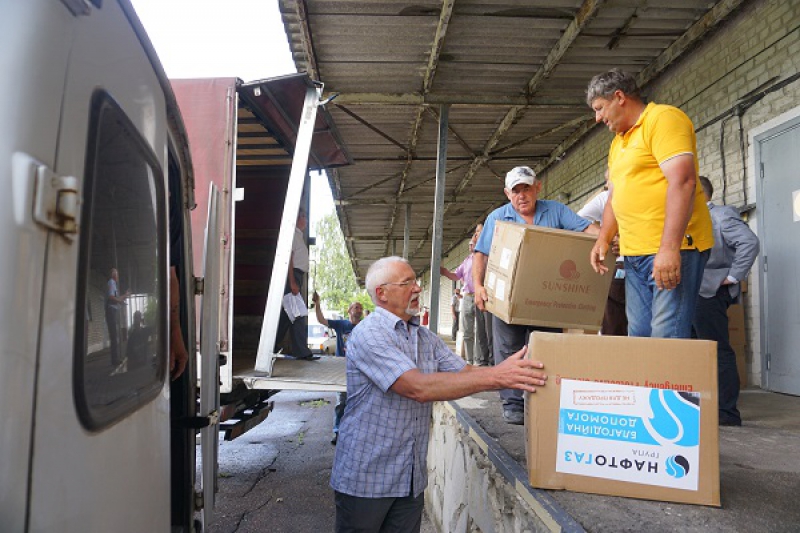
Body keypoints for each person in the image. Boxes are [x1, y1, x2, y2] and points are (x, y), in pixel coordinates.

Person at [330, 256, 547, 533]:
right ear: (382, 294)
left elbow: (466, 373)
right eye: (407, 282)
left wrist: (513, 372)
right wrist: (498, 376)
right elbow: (417, 387)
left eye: (416, 281)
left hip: (409, 479)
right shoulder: (369, 334)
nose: (417, 288)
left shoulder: (425, 338)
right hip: (367, 478)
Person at [587, 68, 713, 339]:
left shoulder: (663, 120)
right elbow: (614, 196)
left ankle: (670, 384)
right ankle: (651, 383)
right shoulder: (618, 143)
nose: (598, 118)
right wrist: (604, 240)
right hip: (635, 255)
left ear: (619, 97)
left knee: (665, 337)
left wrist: (669, 249)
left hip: (671, 247)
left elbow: (684, 182)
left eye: (599, 108)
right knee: (640, 337)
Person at [473, 166, 598, 425]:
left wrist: (605, 239)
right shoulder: (497, 218)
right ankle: (512, 403)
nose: (522, 195)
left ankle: (539, 399)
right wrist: (478, 286)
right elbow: (481, 254)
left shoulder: (556, 211)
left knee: (542, 348)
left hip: (545, 298)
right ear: (507, 193)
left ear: (537, 187)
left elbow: (586, 229)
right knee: (509, 348)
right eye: (516, 191)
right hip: (506, 299)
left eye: (526, 188)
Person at [692, 177, 759, 427]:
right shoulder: (694, 217)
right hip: (693, 292)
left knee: (717, 350)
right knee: (696, 351)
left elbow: (749, 243)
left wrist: (731, 277)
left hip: (709, 292)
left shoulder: (720, 215)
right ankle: (703, 408)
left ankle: (727, 413)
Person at [311, 291, 364, 444]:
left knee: (357, 402)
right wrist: (317, 304)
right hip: (341, 369)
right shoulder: (341, 325)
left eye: (360, 307)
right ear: (349, 311)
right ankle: (337, 431)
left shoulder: (365, 326)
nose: (358, 310)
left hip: (359, 370)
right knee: (341, 401)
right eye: (355, 307)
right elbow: (321, 320)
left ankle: (354, 433)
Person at [578, 174, 627, 336]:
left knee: (616, 324)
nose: (606, 183)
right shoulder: (605, 198)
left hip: (633, 263)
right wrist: (606, 237)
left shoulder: (605, 198)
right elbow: (579, 221)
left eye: (608, 179)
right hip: (620, 265)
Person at [440, 228, 489, 365]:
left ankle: (479, 360)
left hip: (480, 296)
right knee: (467, 331)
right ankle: (469, 359)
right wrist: (444, 272)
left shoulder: (485, 257)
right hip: (467, 297)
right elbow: (456, 276)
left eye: (473, 244)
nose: (471, 247)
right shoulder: (467, 260)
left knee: (480, 331)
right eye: (470, 245)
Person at [274, 210, 314, 359]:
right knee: (298, 314)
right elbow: (288, 259)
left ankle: (271, 346)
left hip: (298, 276)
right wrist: (292, 281)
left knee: (287, 316)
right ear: (297, 219)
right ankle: (302, 352)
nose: (306, 220)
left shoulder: (299, 236)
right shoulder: (292, 235)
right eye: (304, 217)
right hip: (293, 276)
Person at [106, 267, 130, 371]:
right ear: (113, 275)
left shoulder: (114, 284)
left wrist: (124, 296)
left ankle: (115, 359)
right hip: (111, 311)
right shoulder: (111, 282)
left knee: (115, 335)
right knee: (114, 335)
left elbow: (117, 299)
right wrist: (123, 297)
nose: (117, 275)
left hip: (113, 311)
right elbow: (112, 297)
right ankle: (114, 359)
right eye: (116, 273)